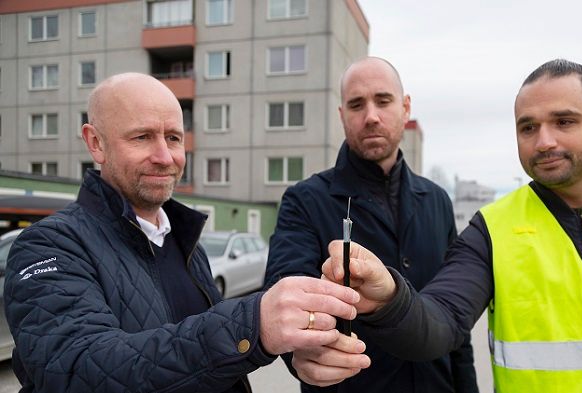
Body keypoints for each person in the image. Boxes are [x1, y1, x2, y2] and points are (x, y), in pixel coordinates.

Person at [322, 59, 582, 392]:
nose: (544, 141)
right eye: (528, 127)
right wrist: (390, 298)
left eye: (564, 121)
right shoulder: (492, 229)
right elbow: (441, 321)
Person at [3, 73, 363, 393]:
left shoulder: (185, 242)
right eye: (142, 137)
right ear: (95, 143)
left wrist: (294, 348)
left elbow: (207, 364)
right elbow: (78, 371)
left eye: (173, 138)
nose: (164, 156)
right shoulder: (48, 246)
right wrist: (252, 325)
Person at [264, 57, 478, 393]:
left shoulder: (437, 200)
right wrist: (300, 356)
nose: (371, 116)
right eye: (356, 104)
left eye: (383, 100)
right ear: (341, 115)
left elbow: (457, 325)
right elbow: (287, 294)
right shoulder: (305, 201)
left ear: (405, 108)